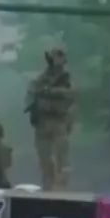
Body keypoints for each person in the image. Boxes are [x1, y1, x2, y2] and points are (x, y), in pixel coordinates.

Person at [25, 47, 77, 191]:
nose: (55, 61)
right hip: (42, 122)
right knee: (44, 159)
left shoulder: (67, 79)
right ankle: (48, 185)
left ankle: (61, 187)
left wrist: (53, 91)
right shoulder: (41, 79)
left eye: (59, 57)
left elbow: (72, 96)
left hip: (59, 122)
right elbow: (31, 95)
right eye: (54, 57)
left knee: (62, 159)